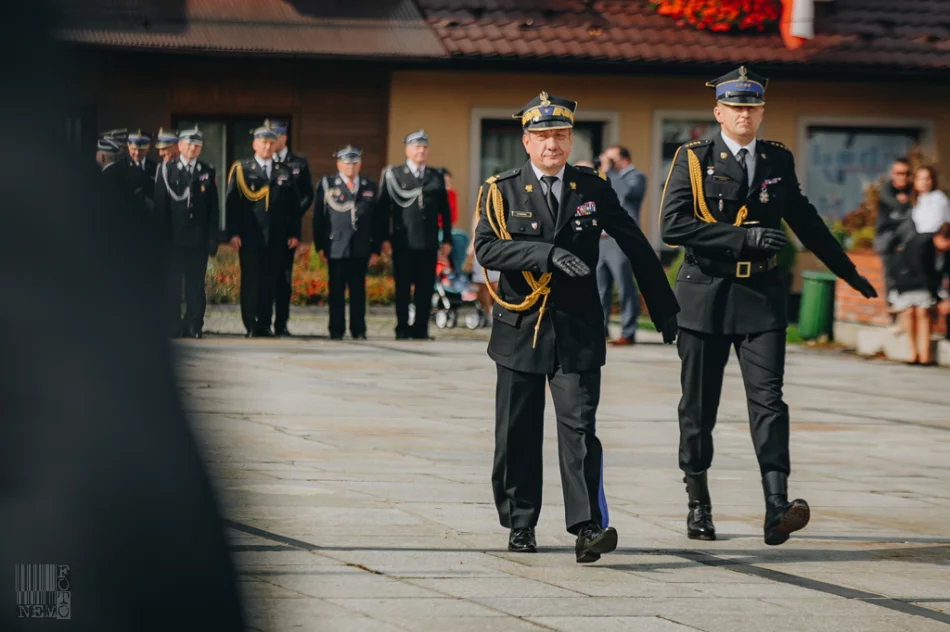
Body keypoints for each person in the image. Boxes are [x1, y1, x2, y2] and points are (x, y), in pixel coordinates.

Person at [660, 66, 878, 546]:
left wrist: (848, 272)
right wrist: (740, 238)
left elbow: (806, 219)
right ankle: (699, 502)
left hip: (760, 297)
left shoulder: (777, 158)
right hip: (705, 295)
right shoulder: (693, 159)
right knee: (699, 408)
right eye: (735, 107)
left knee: (770, 402)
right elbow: (672, 226)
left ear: (761, 112)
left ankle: (776, 505)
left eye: (752, 107)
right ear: (718, 112)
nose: (744, 115)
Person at [474, 92, 679, 563]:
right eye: (543, 136)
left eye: (561, 136)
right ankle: (521, 522)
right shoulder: (501, 189)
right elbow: (487, 249)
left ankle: (588, 527)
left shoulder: (591, 187)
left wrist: (665, 307)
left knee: (580, 429)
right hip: (521, 325)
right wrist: (544, 254)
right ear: (526, 142)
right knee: (517, 431)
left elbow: (633, 242)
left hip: (578, 327)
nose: (553, 145)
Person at [225, 122, 301, 337]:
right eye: (263, 142)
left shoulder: (284, 172)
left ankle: (265, 323)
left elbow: (293, 207)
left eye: (270, 142)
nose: (267, 147)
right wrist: (233, 233)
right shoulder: (242, 168)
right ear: (254, 144)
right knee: (251, 281)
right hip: (250, 236)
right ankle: (250, 323)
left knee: (269, 282)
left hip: (276, 236)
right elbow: (233, 205)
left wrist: (295, 232)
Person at [377, 130, 453, 339]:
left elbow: (444, 211)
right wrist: (383, 239)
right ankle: (402, 327)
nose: (421, 151)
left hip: (428, 242)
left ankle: (421, 328)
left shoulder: (435, 175)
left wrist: (446, 239)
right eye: (417, 146)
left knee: (425, 288)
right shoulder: (394, 174)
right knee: (403, 288)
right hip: (402, 241)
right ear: (407, 150)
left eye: (424, 147)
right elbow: (383, 210)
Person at [155, 127, 219, 338]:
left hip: (197, 240)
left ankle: (193, 325)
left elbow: (213, 210)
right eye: (189, 144)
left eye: (197, 145)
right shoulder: (166, 170)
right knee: (173, 286)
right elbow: (161, 209)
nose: (192, 148)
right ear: (179, 146)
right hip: (173, 239)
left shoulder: (207, 171)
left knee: (195, 287)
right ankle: (173, 326)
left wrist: (212, 238)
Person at [313, 145, 380, 340]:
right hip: (336, 247)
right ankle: (336, 329)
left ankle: (359, 330)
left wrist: (375, 248)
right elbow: (319, 217)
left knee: (358, 291)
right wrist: (320, 246)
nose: (350, 167)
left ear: (360, 164)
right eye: (346, 163)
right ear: (338, 164)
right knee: (336, 291)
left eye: (354, 163)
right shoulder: (327, 184)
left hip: (360, 247)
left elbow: (378, 219)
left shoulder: (369, 185)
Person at [597, 145, 647, 345]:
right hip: (601, 240)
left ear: (623, 159)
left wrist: (608, 171)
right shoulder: (607, 178)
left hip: (621, 241)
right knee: (600, 289)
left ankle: (628, 332)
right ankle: (600, 330)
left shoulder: (636, 177)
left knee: (624, 286)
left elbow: (625, 194)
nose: (608, 163)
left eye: (612, 159)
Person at [270, 119, 314, 337]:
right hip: (266, 230)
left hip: (287, 231)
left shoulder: (298, 162)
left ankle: (281, 323)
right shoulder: (265, 161)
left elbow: (307, 194)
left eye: (275, 136)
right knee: (265, 278)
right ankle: (262, 322)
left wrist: (294, 215)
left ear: (284, 137)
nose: (271, 141)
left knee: (284, 280)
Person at [891, 222, 950, 365]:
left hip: (925, 284)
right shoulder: (921, 244)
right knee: (910, 312)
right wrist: (937, 297)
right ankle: (913, 353)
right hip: (908, 281)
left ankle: (925, 355)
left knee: (923, 313)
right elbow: (922, 271)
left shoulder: (945, 252)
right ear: (939, 237)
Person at [874, 158, 913, 304]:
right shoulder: (886, 188)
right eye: (899, 173)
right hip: (886, 235)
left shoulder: (912, 189)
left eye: (906, 173)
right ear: (892, 173)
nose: (902, 177)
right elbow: (896, 205)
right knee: (889, 271)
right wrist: (906, 202)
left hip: (906, 237)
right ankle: (891, 303)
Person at [910, 165, 950, 235]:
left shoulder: (938, 197)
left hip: (934, 236)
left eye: (927, 179)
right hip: (919, 237)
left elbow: (935, 224)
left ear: (932, 180)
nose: (923, 182)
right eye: (920, 178)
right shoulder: (916, 199)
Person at [125, 129, 158, 211]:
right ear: (128, 146)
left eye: (141, 150)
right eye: (134, 149)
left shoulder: (156, 167)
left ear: (148, 147)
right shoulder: (119, 167)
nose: (137, 153)